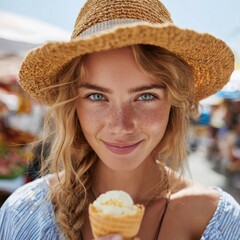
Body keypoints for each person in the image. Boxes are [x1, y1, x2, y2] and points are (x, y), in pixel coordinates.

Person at [0, 0, 239, 239]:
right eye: (96, 96)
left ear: (174, 103)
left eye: (145, 96)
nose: (121, 125)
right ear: (73, 104)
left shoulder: (221, 220)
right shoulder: (24, 214)